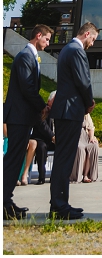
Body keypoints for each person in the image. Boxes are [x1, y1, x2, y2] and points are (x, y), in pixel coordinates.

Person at [49, 22, 99, 220]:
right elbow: (83, 80)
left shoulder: (66, 50)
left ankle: (59, 203)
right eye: (93, 39)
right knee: (65, 159)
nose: (92, 44)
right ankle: (60, 206)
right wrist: (89, 103)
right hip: (70, 111)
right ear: (87, 33)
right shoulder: (76, 51)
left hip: (64, 110)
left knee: (63, 158)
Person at [4, 24, 53, 217]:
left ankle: (7, 200)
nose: (48, 43)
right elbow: (27, 87)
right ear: (38, 35)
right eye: (47, 39)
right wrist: (43, 106)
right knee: (13, 159)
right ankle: (4, 203)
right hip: (18, 116)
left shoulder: (31, 56)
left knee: (16, 159)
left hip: (22, 117)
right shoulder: (25, 56)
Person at [22, 93, 56, 186]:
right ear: (49, 101)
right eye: (54, 100)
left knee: (63, 147)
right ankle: (41, 177)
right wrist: (53, 136)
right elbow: (43, 126)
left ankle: (56, 176)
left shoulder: (59, 111)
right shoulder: (42, 109)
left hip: (53, 139)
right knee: (41, 147)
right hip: (40, 138)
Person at [70, 113, 100, 183]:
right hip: (75, 137)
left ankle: (86, 175)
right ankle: (77, 175)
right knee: (80, 148)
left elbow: (91, 127)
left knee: (93, 146)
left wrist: (91, 137)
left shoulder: (86, 114)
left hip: (86, 136)